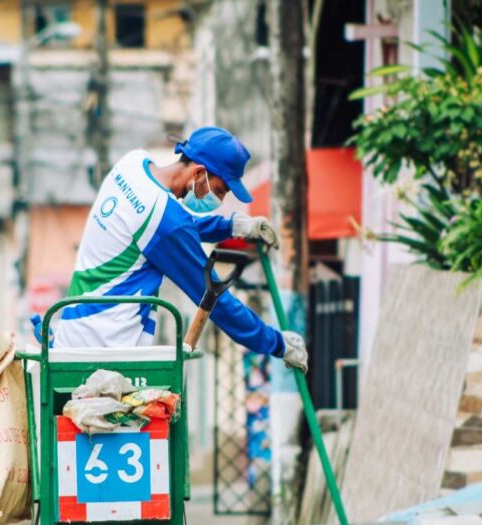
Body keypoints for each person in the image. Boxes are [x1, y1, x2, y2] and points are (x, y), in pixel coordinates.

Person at [51, 126, 308, 372]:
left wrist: (231, 226)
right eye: (219, 190)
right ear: (198, 173)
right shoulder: (166, 223)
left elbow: (168, 227)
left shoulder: (132, 164)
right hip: (106, 352)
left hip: (73, 336)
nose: (219, 200)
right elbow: (217, 302)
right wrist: (276, 343)